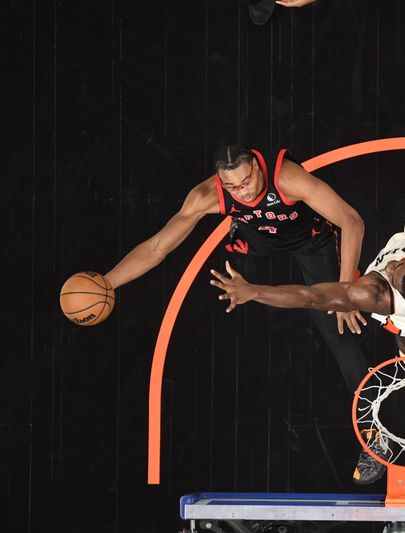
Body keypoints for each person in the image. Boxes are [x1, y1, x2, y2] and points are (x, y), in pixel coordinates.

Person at [102, 143, 384, 482]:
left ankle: (378, 435)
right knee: (228, 250)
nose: (241, 191)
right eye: (231, 187)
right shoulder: (209, 194)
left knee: (337, 331)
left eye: (246, 182)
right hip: (255, 239)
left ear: (258, 168)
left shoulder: (288, 178)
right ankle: (243, 235)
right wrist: (106, 283)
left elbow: (352, 220)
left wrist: (344, 291)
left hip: (311, 242)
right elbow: (158, 246)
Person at [209, 88, 405, 387]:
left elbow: (310, 296)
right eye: (402, 264)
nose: (393, 264)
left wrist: (254, 292)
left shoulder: (371, 295)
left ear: (390, 289)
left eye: (392, 272)